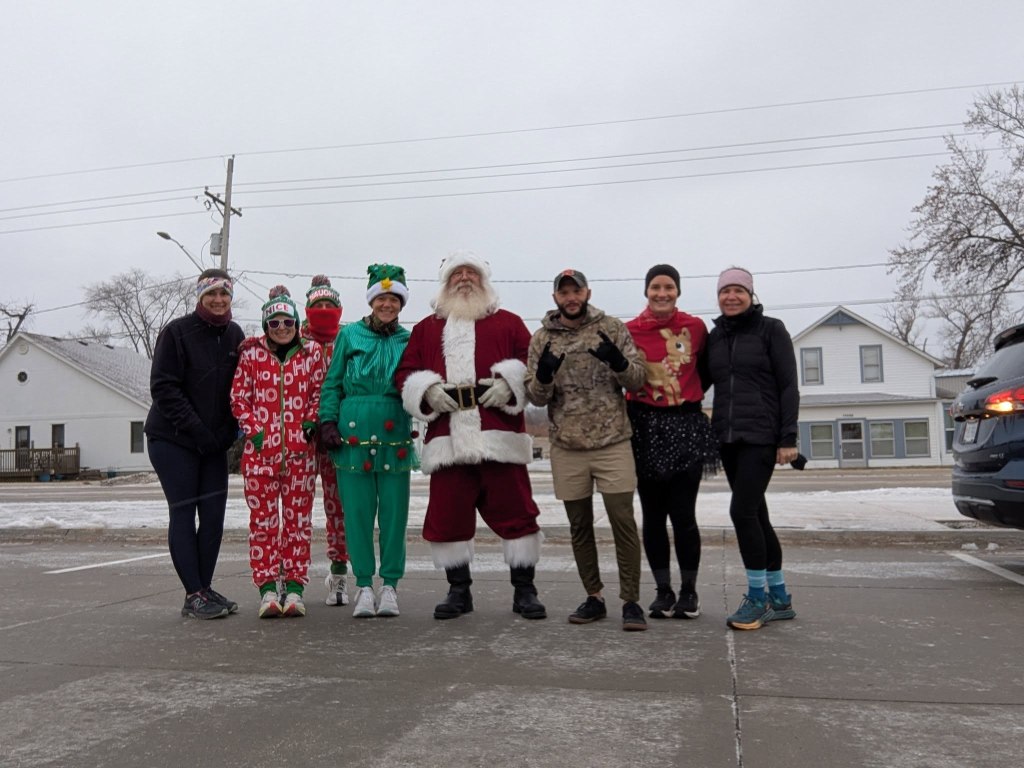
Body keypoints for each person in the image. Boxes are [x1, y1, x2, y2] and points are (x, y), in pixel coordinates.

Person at [395, 250, 546, 621]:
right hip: (447, 438)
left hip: (499, 435)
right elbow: (404, 374)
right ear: (446, 283)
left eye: (471, 273)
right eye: (456, 274)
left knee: (518, 514)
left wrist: (509, 385)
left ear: (484, 280)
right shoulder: (426, 329)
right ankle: (458, 591)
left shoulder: (509, 323)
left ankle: (525, 591)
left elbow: (533, 368)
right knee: (449, 517)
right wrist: (427, 391)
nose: (464, 279)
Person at [525, 268, 649, 631]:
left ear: (587, 292)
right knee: (579, 525)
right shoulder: (541, 339)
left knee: (622, 521)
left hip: (612, 441)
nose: (570, 297)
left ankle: (631, 601)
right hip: (566, 445)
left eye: (575, 290)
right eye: (564, 293)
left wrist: (621, 363)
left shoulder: (611, 328)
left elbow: (639, 381)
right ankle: (594, 596)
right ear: (555, 298)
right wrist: (544, 376)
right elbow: (533, 395)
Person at [319, 264, 418, 618]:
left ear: (401, 303)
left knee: (394, 515)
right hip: (352, 434)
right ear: (372, 300)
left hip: (395, 433)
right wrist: (327, 420)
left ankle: (389, 585)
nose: (386, 304)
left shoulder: (410, 340)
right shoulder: (350, 335)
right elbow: (332, 382)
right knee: (357, 514)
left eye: (393, 298)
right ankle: (363, 584)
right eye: (381, 298)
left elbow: (420, 383)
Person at [145, 268, 245, 619]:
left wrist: (231, 431)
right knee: (184, 514)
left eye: (224, 294)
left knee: (215, 519)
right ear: (200, 297)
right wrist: (200, 431)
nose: (218, 300)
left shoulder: (235, 335)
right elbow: (164, 388)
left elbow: (240, 388)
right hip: (173, 440)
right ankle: (193, 593)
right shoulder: (176, 332)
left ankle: (205, 587)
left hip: (214, 444)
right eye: (211, 294)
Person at [706, 267, 799, 630]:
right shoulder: (715, 337)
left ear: (750, 295)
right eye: (724, 291)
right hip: (727, 439)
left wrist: (787, 437)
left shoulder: (771, 330)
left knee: (742, 512)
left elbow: (789, 385)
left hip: (761, 436)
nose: (731, 297)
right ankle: (779, 598)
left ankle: (756, 598)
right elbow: (696, 379)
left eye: (738, 290)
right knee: (757, 515)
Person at [626, 264, 719, 620]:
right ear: (646, 291)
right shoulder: (629, 330)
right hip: (645, 427)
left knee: (683, 515)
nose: (662, 293)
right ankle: (663, 591)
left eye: (668, 287)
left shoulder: (695, 327)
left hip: (685, 426)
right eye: (655, 287)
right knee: (652, 515)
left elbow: (706, 371)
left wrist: (686, 399)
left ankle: (689, 592)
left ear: (677, 291)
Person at [231, 286, 326, 618]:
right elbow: (238, 400)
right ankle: (268, 589)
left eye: (287, 321)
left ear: (297, 322)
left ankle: (296, 590)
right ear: (266, 325)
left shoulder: (311, 353)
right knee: (263, 524)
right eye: (274, 323)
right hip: (260, 458)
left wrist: (310, 423)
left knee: (298, 523)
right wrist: (256, 435)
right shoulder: (251, 355)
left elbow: (320, 391)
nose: (282, 327)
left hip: (301, 456)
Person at [300, 274, 351, 606]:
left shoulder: (347, 340)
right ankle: (291, 580)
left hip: (336, 439)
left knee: (339, 511)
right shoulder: (294, 341)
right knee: (298, 512)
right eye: (316, 305)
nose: (322, 310)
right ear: (306, 310)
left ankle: (339, 576)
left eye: (328, 305)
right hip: (301, 440)